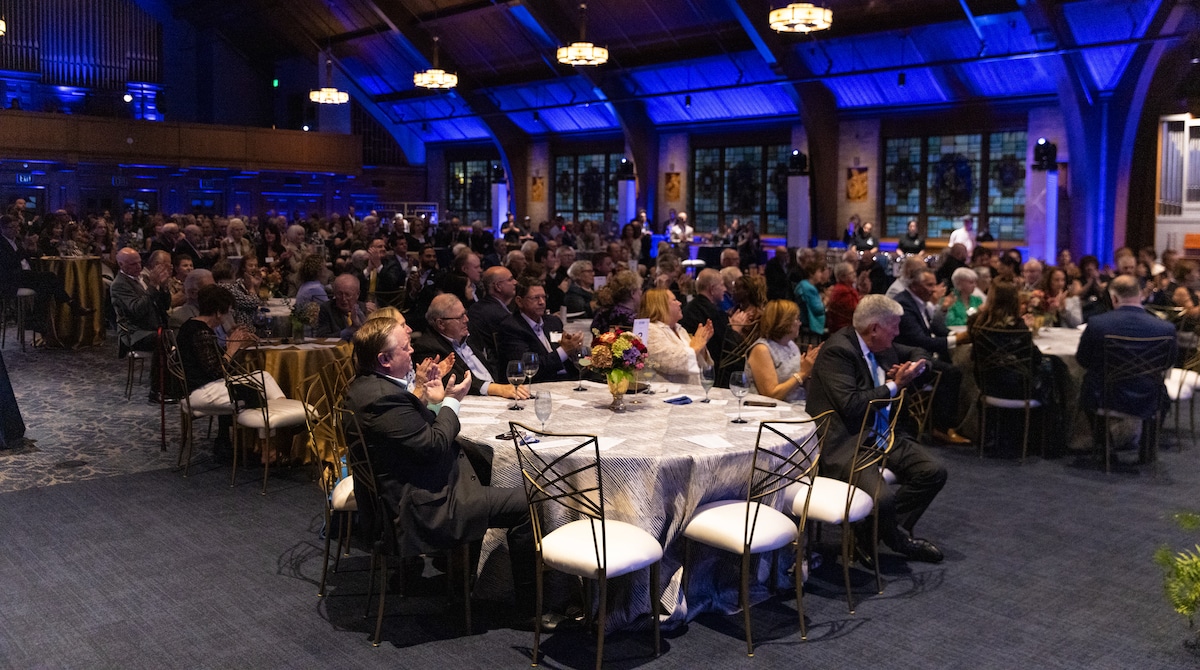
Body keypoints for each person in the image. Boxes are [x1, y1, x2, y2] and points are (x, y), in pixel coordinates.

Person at [343, 317, 557, 631]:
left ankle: (465, 579)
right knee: (529, 500)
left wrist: (430, 398)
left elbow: (408, 431)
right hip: (420, 508)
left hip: (406, 487)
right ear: (384, 359)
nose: (413, 351)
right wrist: (451, 403)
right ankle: (529, 608)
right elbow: (434, 445)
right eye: (405, 348)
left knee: (483, 462)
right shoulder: (383, 398)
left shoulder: (368, 387)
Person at [805, 294, 948, 565]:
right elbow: (851, 405)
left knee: (933, 472)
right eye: (894, 326)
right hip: (848, 442)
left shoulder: (882, 345)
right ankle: (899, 541)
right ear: (875, 328)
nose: (897, 332)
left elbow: (918, 350)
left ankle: (868, 535)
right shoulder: (839, 351)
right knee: (882, 499)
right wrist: (895, 385)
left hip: (883, 435)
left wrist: (918, 366)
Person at [177, 285, 284, 460]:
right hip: (199, 391)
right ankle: (268, 449)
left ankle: (282, 411)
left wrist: (238, 344)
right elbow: (216, 371)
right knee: (256, 392)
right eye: (228, 311)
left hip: (208, 386)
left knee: (262, 376)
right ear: (219, 312)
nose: (229, 315)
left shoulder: (198, 327)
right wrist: (232, 349)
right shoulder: (199, 332)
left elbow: (218, 365)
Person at [1075, 275, 1177, 456]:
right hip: (1148, 396)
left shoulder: (1097, 324)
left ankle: (1104, 446)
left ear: (1114, 298)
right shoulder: (1165, 328)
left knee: (1088, 385)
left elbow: (1083, 360)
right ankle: (1147, 450)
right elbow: (1168, 363)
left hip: (1107, 395)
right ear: (1140, 295)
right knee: (1161, 394)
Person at [893, 269, 971, 445]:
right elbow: (920, 340)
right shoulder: (905, 304)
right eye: (929, 285)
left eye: (934, 284)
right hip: (907, 362)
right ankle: (941, 428)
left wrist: (954, 336)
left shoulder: (917, 301)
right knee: (952, 372)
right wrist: (955, 339)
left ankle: (943, 423)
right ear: (914, 285)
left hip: (919, 354)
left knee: (951, 364)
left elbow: (934, 328)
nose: (934, 289)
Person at [412, 294, 529, 401]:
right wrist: (496, 389)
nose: (466, 320)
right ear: (441, 324)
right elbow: (455, 382)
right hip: (471, 403)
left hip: (499, 395)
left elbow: (492, 361)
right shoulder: (427, 347)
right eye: (460, 317)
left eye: (465, 313)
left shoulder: (468, 333)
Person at [496, 277, 584, 383]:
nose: (542, 302)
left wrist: (574, 348)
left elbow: (566, 358)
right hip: (538, 384)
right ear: (519, 301)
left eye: (543, 297)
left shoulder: (553, 322)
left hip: (568, 379)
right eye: (536, 298)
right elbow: (528, 367)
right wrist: (564, 351)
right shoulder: (511, 327)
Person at [745, 300, 819, 403]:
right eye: (797, 319)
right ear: (785, 322)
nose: (800, 323)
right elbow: (770, 395)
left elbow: (802, 387)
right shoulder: (762, 349)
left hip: (799, 405)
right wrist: (802, 374)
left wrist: (810, 371)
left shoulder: (791, 345)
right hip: (774, 411)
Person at [639, 288, 712, 386]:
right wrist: (696, 347)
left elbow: (701, 365)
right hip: (664, 394)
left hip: (691, 392)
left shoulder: (680, 330)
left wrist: (702, 345)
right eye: (674, 300)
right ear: (661, 305)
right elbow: (670, 361)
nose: (680, 303)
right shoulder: (649, 330)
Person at [681, 268, 738, 388]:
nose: (725, 289)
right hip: (713, 375)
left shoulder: (687, 310)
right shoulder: (715, 315)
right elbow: (729, 348)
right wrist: (737, 330)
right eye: (722, 285)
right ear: (712, 289)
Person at [315, 273, 368, 340]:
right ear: (334, 293)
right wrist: (350, 330)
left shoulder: (364, 309)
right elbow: (322, 337)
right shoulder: (327, 309)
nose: (343, 299)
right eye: (339, 294)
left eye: (348, 294)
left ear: (357, 294)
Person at [590, 269, 641, 335]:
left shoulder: (601, 313)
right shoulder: (635, 320)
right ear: (632, 293)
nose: (641, 292)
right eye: (640, 289)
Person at [794, 259, 828, 336]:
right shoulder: (809, 288)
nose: (821, 274)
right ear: (811, 274)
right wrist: (826, 300)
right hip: (811, 324)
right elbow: (818, 309)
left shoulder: (804, 284)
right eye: (819, 272)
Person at [825, 261, 861, 333]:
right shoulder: (842, 291)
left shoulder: (847, 288)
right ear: (842, 277)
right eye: (851, 273)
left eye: (854, 272)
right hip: (844, 329)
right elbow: (857, 310)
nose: (855, 274)